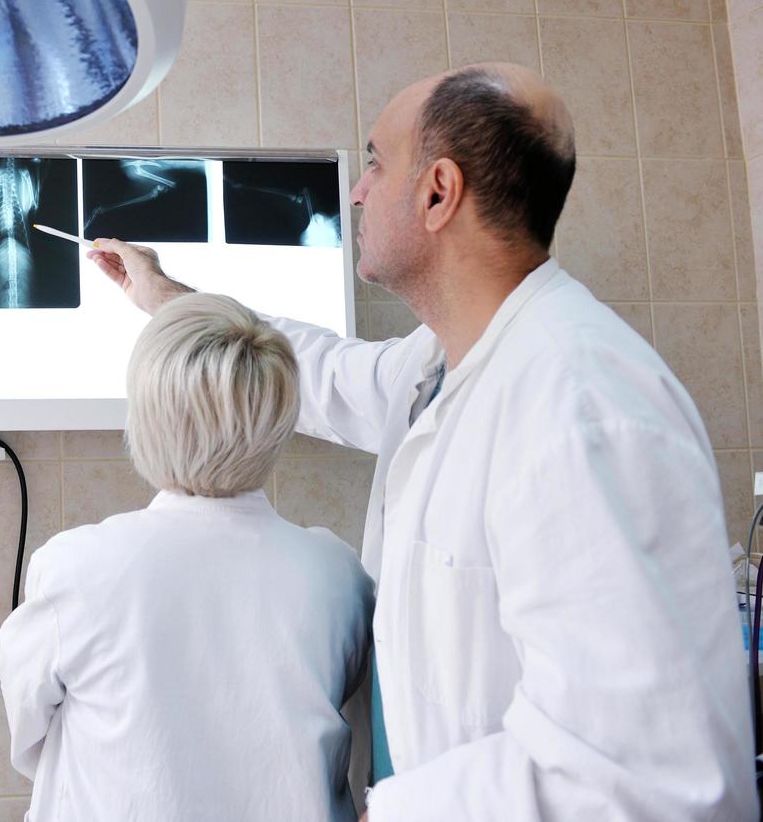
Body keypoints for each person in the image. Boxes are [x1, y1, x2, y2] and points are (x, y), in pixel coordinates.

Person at [88, 63, 756, 820]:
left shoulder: (582, 404)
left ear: (439, 192)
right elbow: (324, 373)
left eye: (374, 161)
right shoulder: (445, 361)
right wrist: (166, 297)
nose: (357, 190)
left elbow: (642, 778)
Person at [0, 292, 375, 820]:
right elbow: (355, 740)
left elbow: (29, 734)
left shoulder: (76, 568)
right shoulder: (338, 574)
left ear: (147, 417)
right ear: (279, 420)